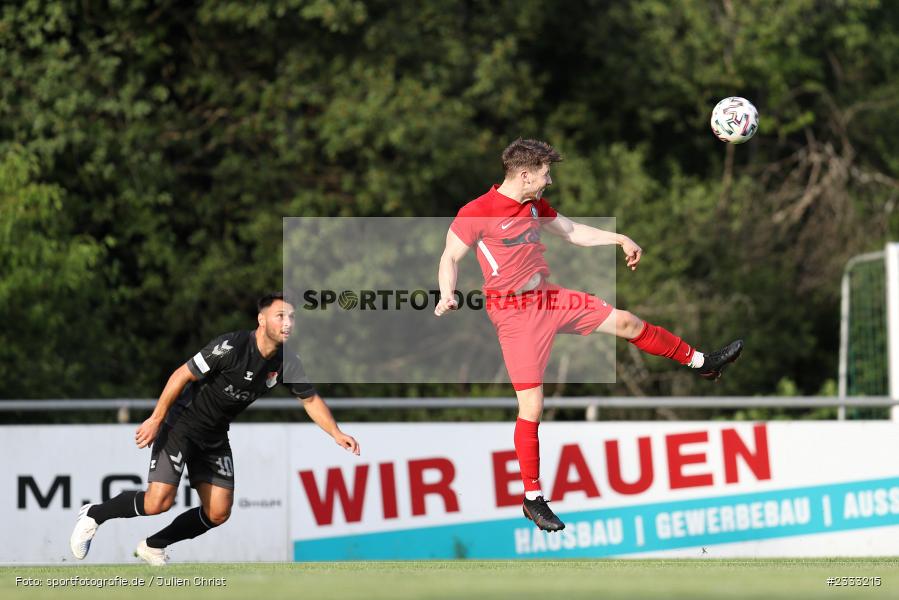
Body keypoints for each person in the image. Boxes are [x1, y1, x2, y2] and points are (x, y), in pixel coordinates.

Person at [434, 139, 742, 532]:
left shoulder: (533, 204)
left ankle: (702, 363)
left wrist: (619, 238)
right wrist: (447, 293)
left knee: (627, 322)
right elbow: (449, 256)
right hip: (513, 315)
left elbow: (572, 231)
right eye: (545, 174)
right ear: (525, 175)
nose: (549, 180)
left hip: (548, 298)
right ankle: (532, 498)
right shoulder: (477, 211)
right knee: (532, 406)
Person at [70, 291, 359, 565]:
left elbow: (310, 400)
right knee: (158, 502)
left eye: (292, 317)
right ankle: (94, 514)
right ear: (261, 319)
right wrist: (156, 418)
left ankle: (154, 545)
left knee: (218, 512)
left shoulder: (288, 362)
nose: (288, 323)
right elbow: (181, 375)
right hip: (182, 425)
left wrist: (336, 433)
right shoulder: (231, 347)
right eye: (280, 316)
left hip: (215, 435)